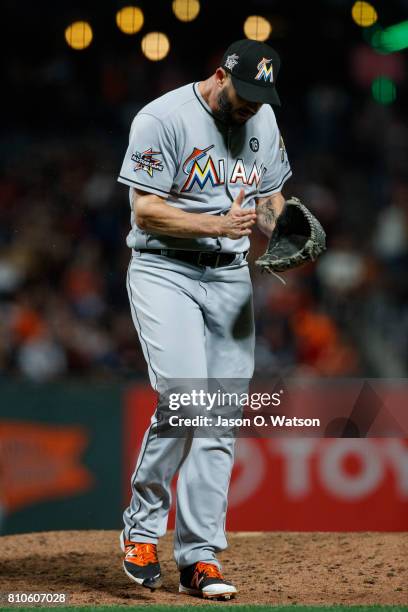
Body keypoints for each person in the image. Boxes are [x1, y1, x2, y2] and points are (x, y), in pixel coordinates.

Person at [117, 39, 292, 600]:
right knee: (185, 398)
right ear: (219, 76)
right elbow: (145, 207)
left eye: (259, 99)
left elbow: (269, 198)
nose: (249, 109)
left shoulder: (261, 116)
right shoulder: (163, 118)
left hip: (230, 277)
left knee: (219, 415)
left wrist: (282, 228)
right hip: (164, 269)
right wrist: (217, 224)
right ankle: (142, 531)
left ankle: (200, 557)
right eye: (242, 97)